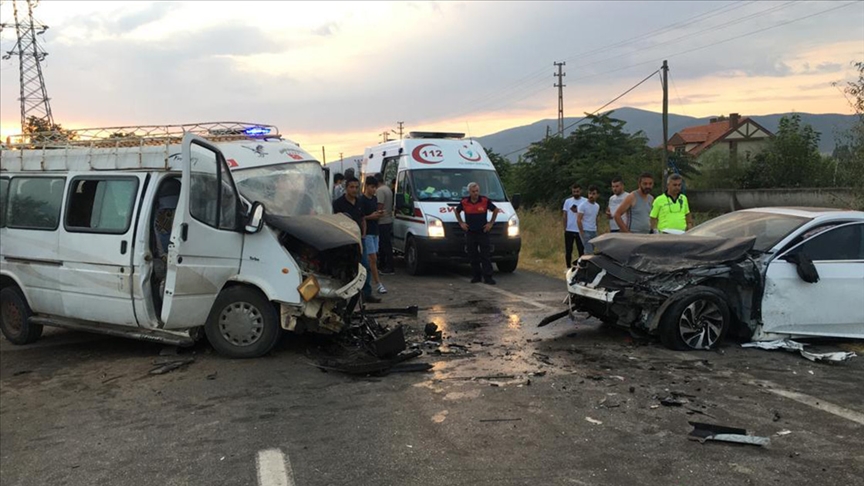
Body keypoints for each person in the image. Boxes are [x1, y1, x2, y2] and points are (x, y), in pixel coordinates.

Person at [333, 176, 381, 303]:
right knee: (346, 267)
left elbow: (362, 218)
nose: (354, 190)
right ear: (346, 188)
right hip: (345, 240)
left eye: (356, 187)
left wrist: (364, 233)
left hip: (360, 240)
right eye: (351, 187)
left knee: (365, 266)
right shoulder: (338, 203)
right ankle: (343, 295)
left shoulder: (360, 202)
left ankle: (366, 293)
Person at [455, 182, 499, 285]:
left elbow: (496, 210)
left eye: (477, 191)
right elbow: (457, 212)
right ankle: (476, 276)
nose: (475, 193)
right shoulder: (464, 202)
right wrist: (461, 223)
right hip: (470, 232)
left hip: (483, 232)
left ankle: (488, 277)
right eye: (473, 191)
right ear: (469, 192)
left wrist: (490, 223)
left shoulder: (484, 200)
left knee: (485, 255)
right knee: (473, 255)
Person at [361, 176, 387, 295]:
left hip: (375, 231)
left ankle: (368, 282)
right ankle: (378, 284)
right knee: (372, 260)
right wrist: (371, 216)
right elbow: (361, 217)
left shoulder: (374, 199)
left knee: (372, 259)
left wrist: (379, 214)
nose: (374, 190)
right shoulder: (362, 200)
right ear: (366, 186)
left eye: (375, 187)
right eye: (372, 187)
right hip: (367, 233)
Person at [376, 175, 395, 275]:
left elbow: (380, 205)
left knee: (383, 245)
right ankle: (388, 265)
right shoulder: (387, 189)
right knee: (387, 244)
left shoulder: (380, 191)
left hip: (382, 220)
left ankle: (387, 266)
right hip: (388, 220)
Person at [562, 184, 585, 267]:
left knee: (581, 250)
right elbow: (565, 215)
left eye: (577, 191)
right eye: (574, 191)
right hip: (569, 229)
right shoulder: (568, 201)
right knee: (568, 250)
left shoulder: (585, 201)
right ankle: (568, 267)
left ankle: (581, 267)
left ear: (581, 191)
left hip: (580, 230)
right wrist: (565, 228)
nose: (575, 193)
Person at [577, 186, 601, 255]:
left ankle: (584, 263)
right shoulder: (583, 205)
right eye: (590, 193)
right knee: (589, 251)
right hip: (585, 230)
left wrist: (596, 228)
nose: (591, 196)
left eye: (593, 194)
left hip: (593, 231)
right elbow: (579, 219)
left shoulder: (597, 206)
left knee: (592, 250)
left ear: (597, 195)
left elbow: (595, 217)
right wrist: (582, 232)